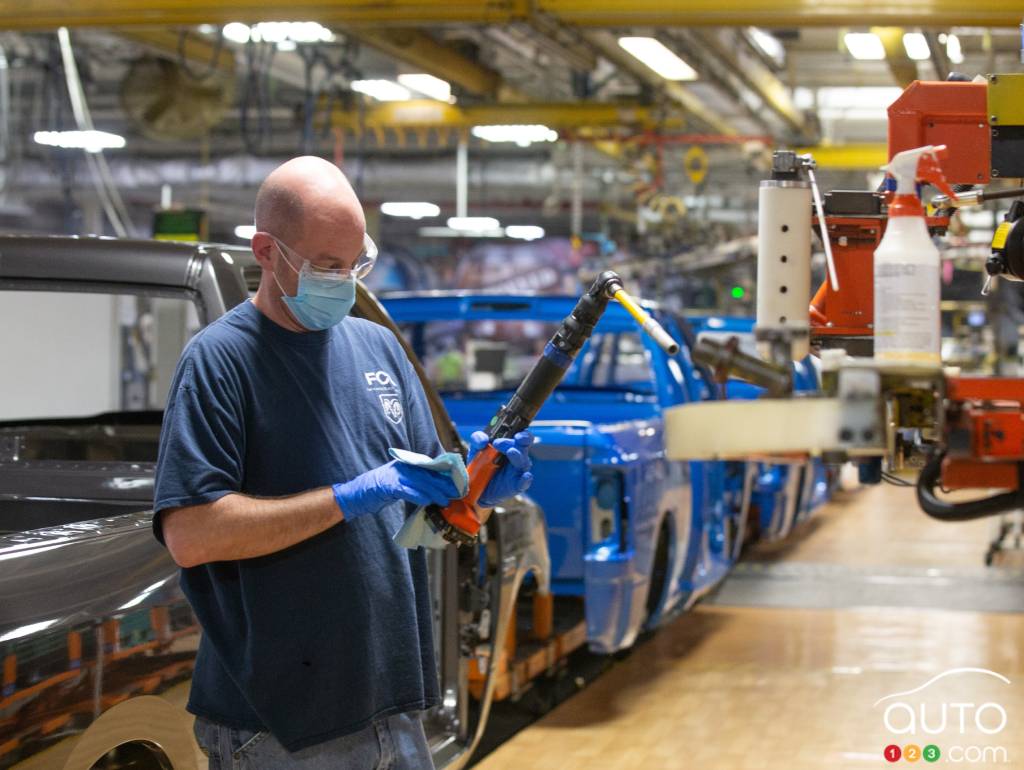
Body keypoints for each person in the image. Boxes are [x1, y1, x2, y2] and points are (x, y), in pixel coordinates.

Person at [152, 156, 533, 769]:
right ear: (267, 252)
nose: (346, 283)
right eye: (327, 266)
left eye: (357, 263)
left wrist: (476, 498)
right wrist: (350, 497)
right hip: (282, 726)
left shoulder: (378, 347)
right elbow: (192, 534)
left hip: (392, 705)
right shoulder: (218, 362)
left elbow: (426, 524)